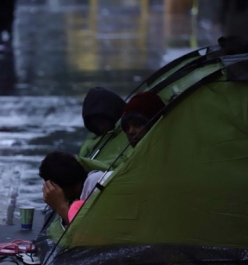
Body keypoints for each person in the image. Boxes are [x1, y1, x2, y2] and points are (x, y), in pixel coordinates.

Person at [41, 91, 166, 226]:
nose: (130, 131)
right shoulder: (95, 144)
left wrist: (61, 207)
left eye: (138, 125)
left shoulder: (101, 181)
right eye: (127, 127)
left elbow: (86, 233)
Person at [39, 151, 112, 226]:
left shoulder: (97, 187)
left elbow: (84, 233)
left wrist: (60, 206)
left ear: (58, 187)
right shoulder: (95, 180)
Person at [79, 87, 126, 158]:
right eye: (95, 125)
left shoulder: (129, 135)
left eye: (102, 122)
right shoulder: (91, 141)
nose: (100, 128)